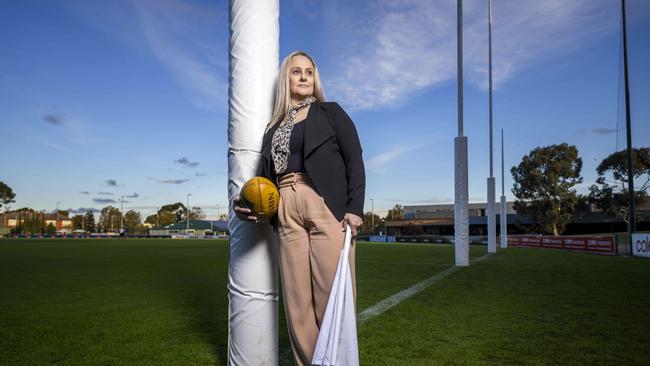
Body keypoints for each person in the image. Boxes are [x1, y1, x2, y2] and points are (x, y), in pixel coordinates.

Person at [233, 50, 365, 365]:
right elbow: (263, 180)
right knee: (297, 304)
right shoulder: (272, 126)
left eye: (309, 71)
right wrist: (246, 204)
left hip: (324, 203)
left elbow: (354, 159)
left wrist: (354, 207)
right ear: (286, 79)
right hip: (284, 206)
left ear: (315, 78)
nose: (303, 76)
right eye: (296, 71)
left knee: (331, 296)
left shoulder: (330, 112)